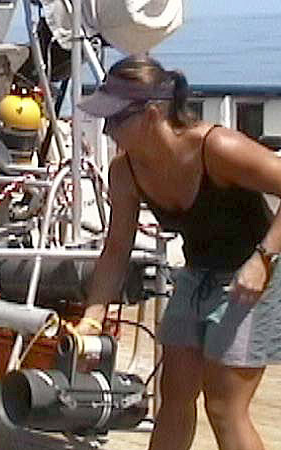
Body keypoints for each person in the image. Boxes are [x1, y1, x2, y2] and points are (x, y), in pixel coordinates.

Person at [76, 54, 281, 450]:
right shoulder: (126, 171)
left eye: (116, 119)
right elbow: (116, 248)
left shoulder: (215, 147)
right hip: (197, 275)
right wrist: (92, 318)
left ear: (152, 113)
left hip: (259, 273)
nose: (106, 130)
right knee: (173, 400)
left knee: (223, 408)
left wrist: (263, 259)